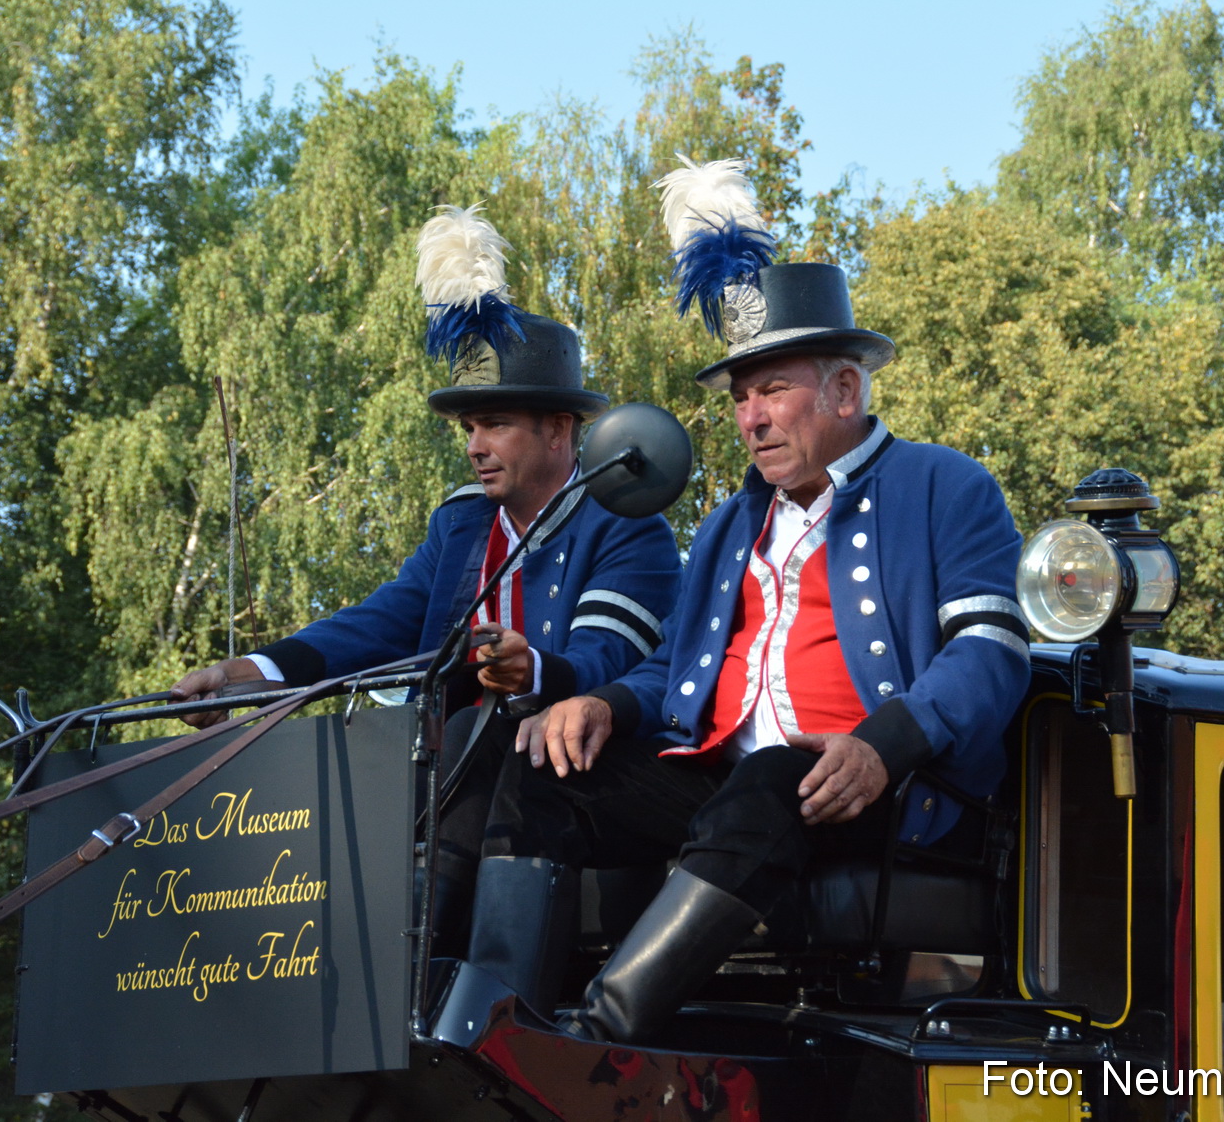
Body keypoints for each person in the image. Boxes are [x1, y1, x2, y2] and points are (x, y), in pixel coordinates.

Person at [463, 157, 1030, 1038]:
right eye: (740, 397)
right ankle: (503, 1031)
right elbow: (674, 669)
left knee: (770, 774)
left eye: (772, 389)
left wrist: (885, 745)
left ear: (845, 388)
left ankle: (604, 1038)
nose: (751, 418)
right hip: (727, 783)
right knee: (541, 764)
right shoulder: (733, 523)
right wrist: (605, 702)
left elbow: (991, 653)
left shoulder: (946, 487)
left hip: (881, 794)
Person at [170, 204, 681, 959]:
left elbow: (608, 660)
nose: (475, 445)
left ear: (560, 430)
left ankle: (409, 977)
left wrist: (534, 668)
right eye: (468, 426)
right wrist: (255, 671)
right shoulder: (461, 525)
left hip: (581, 784)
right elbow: (381, 624)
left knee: (484, 733)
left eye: (495, 422)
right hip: (449, 777)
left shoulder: (627, 524)